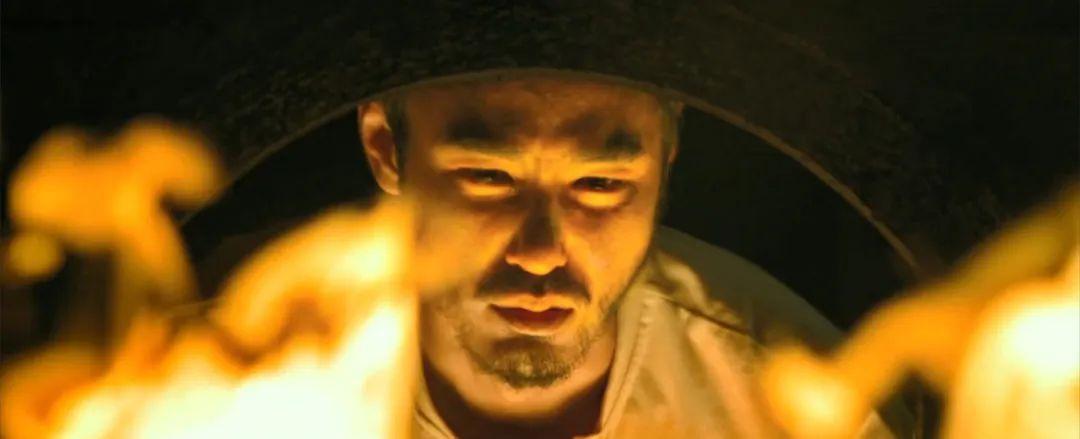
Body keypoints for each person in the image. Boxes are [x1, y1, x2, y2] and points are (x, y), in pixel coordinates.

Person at [356, 74, 904, 438]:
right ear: (385, 148)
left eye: (599, 184)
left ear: (667, 155)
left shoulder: (807, 409)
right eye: (488, 177)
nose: (541, 255)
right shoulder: (309, 367)